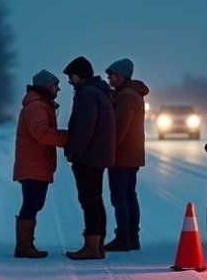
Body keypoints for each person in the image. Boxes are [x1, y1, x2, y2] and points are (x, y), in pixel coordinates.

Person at [62, 56, 116, 260]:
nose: (69, 80)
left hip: (88, 156)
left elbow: (84, 128)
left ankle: (92, 246)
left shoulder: (86, 95)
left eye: (71, 76)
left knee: (89, 201)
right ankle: (98, 245)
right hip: (98, 155)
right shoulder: (99, 92)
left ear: (81, 75)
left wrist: (73, 150)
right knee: (95, 200)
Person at [12, 70, 69, 258]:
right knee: (32, 203)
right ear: (46, 86)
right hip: (33, 165)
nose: (58, 89)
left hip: (35, 164)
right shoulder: (36, 107)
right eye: (55, 85)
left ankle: (25, 244)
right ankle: (24, 246)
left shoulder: (39, 104)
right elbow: (42, 134)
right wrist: (68, 138)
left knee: (34, 203)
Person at [103, 58, 149, 251]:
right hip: (132, 154)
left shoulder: (125, 96)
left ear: (122, 76)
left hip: (122, 155)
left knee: (120, 197)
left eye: (112, 75)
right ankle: (131, 237)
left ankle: (124, 238)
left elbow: (119, 128)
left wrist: (108, 150)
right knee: (129, 195)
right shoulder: (132, 94)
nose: (109, 78)